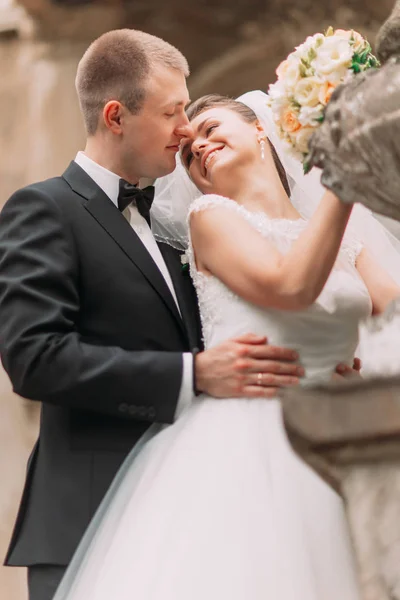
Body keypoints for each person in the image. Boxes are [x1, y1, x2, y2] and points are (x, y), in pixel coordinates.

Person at [49, 91, 400, 600]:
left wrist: (368, 369)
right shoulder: (212, 218)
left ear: (261, 128)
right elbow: (287, 285)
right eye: (189, 154)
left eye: (212, 129)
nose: (201, 148)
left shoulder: (336, 227)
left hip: (340, 424)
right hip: (252, 432)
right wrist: (342, 184)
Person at [0, 32, 306, 600]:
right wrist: (192, 375)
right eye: (171, 112)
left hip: (193, 525)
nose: (186, 129)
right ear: (116, 116)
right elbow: (34, 357)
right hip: (86, 523)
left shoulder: (173, 227)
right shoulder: (44, 209)